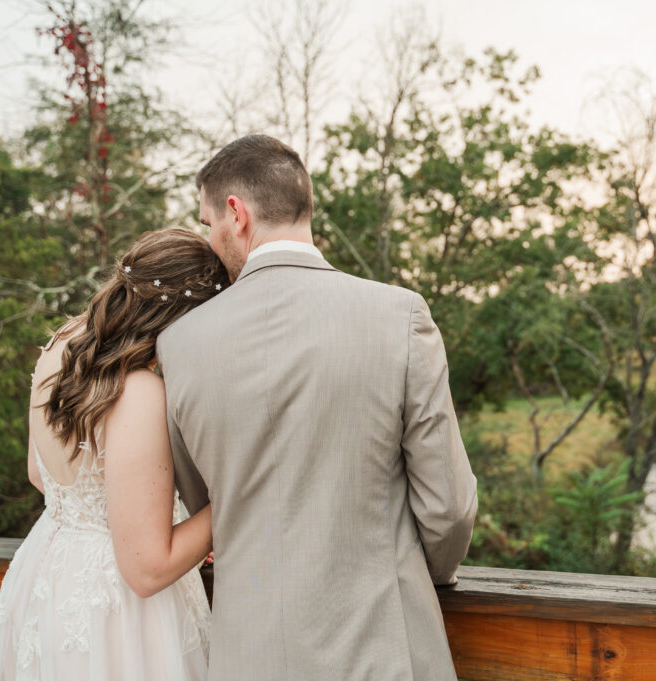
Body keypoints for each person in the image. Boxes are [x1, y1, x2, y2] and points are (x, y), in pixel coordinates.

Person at [156, 134, 478, 681]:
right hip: (385, 649)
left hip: (248, 657)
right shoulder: (400, 315)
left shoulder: (180, 344)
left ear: (237, 214)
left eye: (208, 223)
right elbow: (448, 508)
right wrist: (430, 579)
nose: (210, 240)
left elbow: (202, 499)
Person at [0, 229, 230, 681]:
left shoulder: (62, 344)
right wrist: (235, 501)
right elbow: (148, 569)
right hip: (120, 612)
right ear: (181, 316)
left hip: (49, 577)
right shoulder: (139, 390)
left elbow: (39, 473)